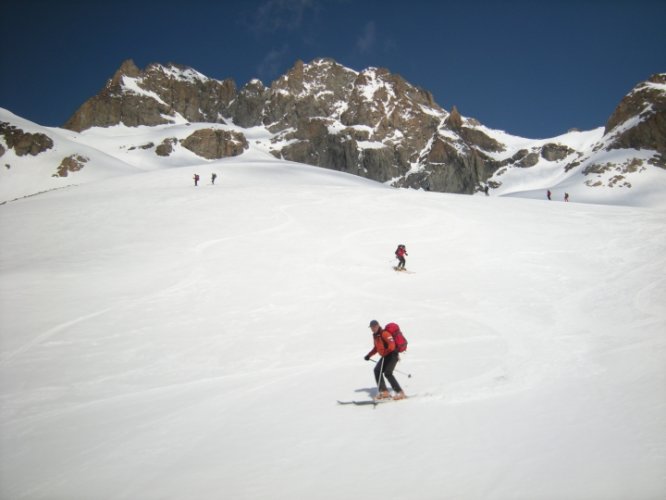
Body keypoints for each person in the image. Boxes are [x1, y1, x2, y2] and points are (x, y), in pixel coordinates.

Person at [364, 320, 405, 400]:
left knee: (388, 373)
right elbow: (376, 348)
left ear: (378, 325)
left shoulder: (384, 333)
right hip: (385, 356)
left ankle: (400, 392)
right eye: (372, 327)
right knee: (377, 370)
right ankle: (384, 392)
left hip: (392, 355)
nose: (373, 328)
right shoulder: (376, 336)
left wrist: (386, 352)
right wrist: (369, 355)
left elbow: (392, 345)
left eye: (374, 326)